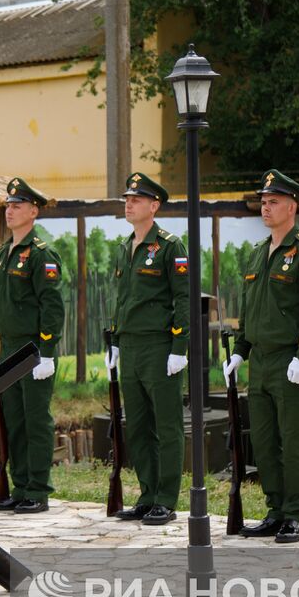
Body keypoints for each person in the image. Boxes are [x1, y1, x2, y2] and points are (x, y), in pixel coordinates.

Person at [223, 170, 299, 543]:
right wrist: (240, 352)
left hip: (291, 362)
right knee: (265, 441)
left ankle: (294, 515)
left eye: (273, 202)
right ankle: (274, 509)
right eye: (263, 202)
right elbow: (249, 310)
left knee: (293, 440)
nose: (265, 208)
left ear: (292, 206)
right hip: (261, 364)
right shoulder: (258, 254)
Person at [106, 172, 189, 525]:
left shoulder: (171, 246)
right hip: (131, 346)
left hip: (159, 347)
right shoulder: (125, 247)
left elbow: (183, 298)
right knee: (138, 425)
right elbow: (122, 299)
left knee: (167, 425)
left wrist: (179, 346)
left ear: (154, 206)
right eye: (127, 198)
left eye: (136, 199)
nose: (129, 203)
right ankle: (147, 494)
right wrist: (115, 340)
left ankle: (166, 499)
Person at [0, 177, 65, 514]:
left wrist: (46, 353)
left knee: (35, 420)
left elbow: (52, 308)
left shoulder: (41, 254)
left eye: (17, 205)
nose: (10, 210)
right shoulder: (5, 252)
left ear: (33, 211)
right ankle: (19, 486)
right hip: (9, 348)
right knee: (14, 419)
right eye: (7, 205)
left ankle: (37, 489)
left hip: (34, 349)